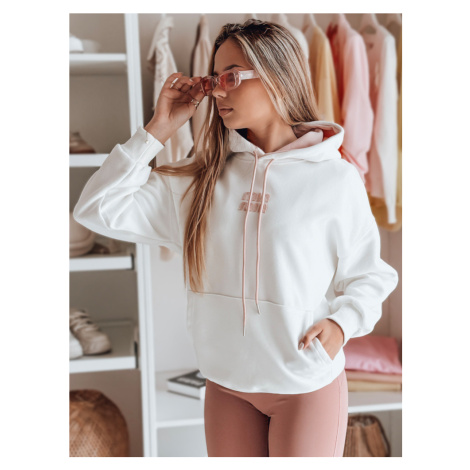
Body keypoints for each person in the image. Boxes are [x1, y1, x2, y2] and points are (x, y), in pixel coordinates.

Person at [73, 19, 399, 457]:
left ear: (277, 75)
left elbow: (370, 275)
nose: (217, 92)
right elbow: (95, 208)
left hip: (304, 385)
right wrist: (158, 129)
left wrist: (342, 324)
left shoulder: (336, 179)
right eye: (214, 79)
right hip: (226, 386)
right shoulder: (201, 179)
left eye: (230, 77)